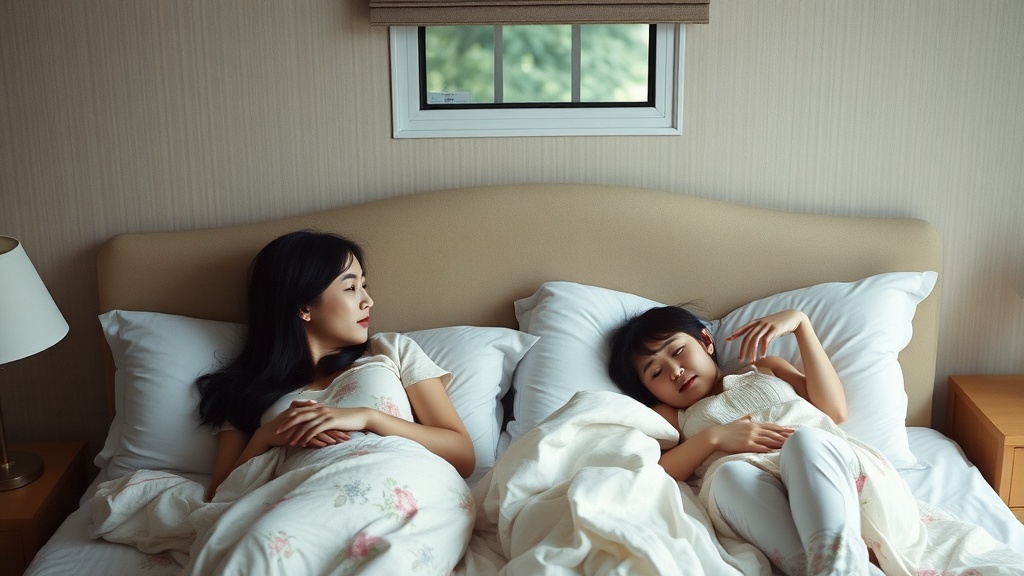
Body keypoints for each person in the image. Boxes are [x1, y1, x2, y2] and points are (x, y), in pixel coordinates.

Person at [608, 305, 919, 576]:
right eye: (656, 372)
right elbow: (662, 469)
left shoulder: (765, 367)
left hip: (822, 467)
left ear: (705, 341)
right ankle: (835, 567)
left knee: (804, 441)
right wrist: (715, 437)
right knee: (727, 476)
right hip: (755, 491)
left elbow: (834, 410)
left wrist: (801, 325)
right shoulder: (672, 415)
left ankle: (835, 563)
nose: (675, 371)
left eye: (677, 352)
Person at [196, 230, 475, 500]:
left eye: (364, 286)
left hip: (395, 486)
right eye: (351, 287)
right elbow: (217, 498)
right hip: (300, 499)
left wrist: (368, 417)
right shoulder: (247, 388)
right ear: (304, 307)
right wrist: (265, 437)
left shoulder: (391, 350)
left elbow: (462, 457)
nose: (368, 301)